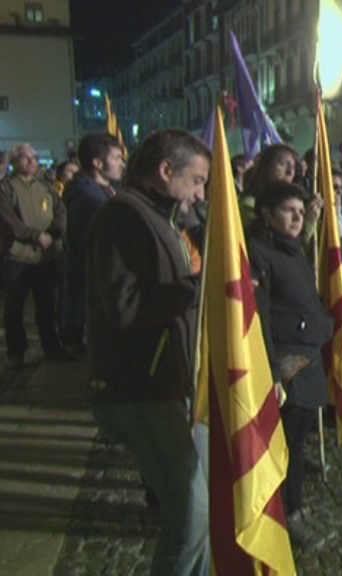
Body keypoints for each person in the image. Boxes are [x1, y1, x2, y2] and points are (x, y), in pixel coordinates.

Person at [86, 129, 210, 575]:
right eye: (196, 181)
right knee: (192, 512)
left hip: (166, 381)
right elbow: (124, 306)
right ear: (165, 171)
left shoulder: (161, 217)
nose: (200, 193)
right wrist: (194, 289)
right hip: (138, 386)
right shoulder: (124, 216)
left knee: (203, 510)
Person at [248, 180, 334, 544]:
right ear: (267, 215)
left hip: (308, 356)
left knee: (297, 441)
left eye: (301, 211)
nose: (298, 217)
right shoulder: (259, 254)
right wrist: (273, 373)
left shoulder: (293, 249)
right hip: (287, 364)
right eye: (289, 211)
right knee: (286, 446)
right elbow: (260, 318)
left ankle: (293, 504)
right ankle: (287, 513)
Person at [0, 143, 69, 366]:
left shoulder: (45, 186)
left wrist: (53, 233)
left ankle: (51, 346)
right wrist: (35, 235)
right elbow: (9, 221)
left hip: (46, 256)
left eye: (33, 157)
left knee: (47, 305)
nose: (31, 161)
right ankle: (16, 351)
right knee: (14, 307)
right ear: (13, 162)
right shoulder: (6, 188)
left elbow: (60, 211)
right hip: (19, 258)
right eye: (24, 158)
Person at [62, 133, 124, 353]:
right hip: (92, 285)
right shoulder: (90, 199)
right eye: (116, 158)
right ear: (98, 163)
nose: (121, 163)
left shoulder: (103, 191)